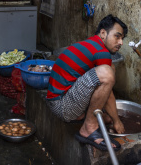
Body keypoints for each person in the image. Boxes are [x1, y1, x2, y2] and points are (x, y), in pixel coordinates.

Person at [46, 14, 128, 152]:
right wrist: (117, 121)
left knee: (108, 70)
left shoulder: (90, 45)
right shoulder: (101, 52)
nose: (121, 42)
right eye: (117, 36)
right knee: (107, 73)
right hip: (62, 107)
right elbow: (108, 93)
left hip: (59, 101)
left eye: (122, 38)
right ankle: (88, 128)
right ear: (103, 33)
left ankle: (86, 116)